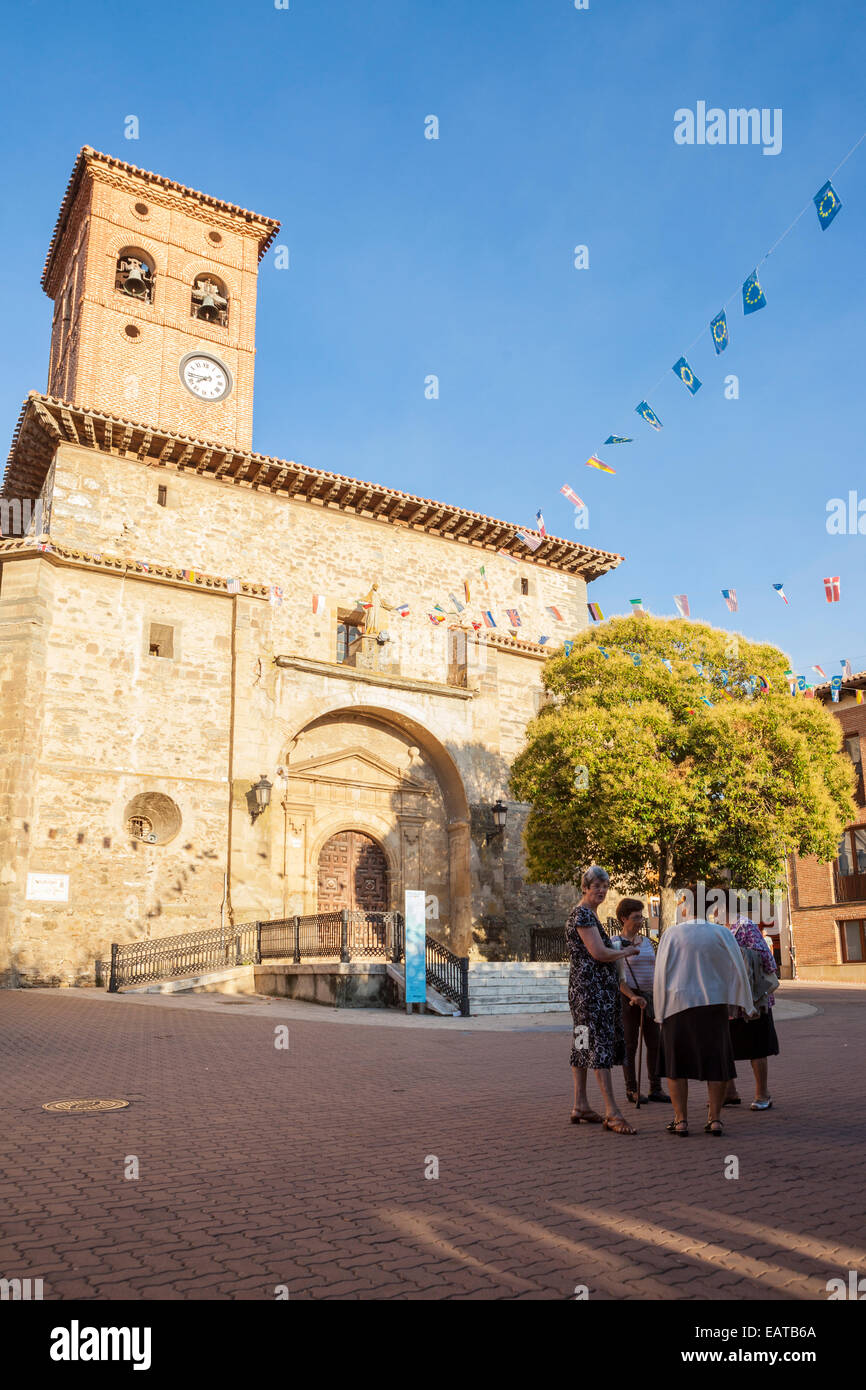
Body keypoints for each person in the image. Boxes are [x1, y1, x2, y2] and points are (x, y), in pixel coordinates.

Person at [654, 908, 754, 1137]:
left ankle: (681, 1120)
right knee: (716, 1061)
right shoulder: (721, 933)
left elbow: (661, 973)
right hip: (713, 1003)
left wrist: (659, 1010)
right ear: (712, 908)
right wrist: (743, 1002)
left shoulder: (672, 933)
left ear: (686, 907)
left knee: (676, 1064)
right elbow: (738, 967)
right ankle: (715, 1119)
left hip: (677, 1005)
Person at [567, 866, 641, 1134]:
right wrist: (626, 951)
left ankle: (580, 1104)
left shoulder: (588, 914)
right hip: (592, 994)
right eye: (596, 885)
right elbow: (597, 953)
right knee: (597, 1046)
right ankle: (613, 1112)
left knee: (582, 1043)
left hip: (584, 994)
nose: (601, 890)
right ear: (585, 887)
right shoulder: (583, 914)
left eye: (605, 885)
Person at [713, 904, 780, 1111]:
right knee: (725, 1045)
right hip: (729, 998)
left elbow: (767, 961)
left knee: (756, 1046)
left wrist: (736, 955)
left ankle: (763, 1094)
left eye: (715, 906)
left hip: (751, 998)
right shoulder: (719, 929)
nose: (713, 912)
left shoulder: (746, 926)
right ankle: (730, 1093)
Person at [611, 898, 669, 1105]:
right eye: (635, 917)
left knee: (655, 1043)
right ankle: (632, 1089)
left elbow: (655, 970)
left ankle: (656, 1088)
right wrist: (632, 996)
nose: (640, 921)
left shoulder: (646, 943)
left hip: (649, 997)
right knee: (630, 1044)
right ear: (623, 918)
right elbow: (617, 977)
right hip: (628, 998)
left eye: (641, 917)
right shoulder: (615, 943)